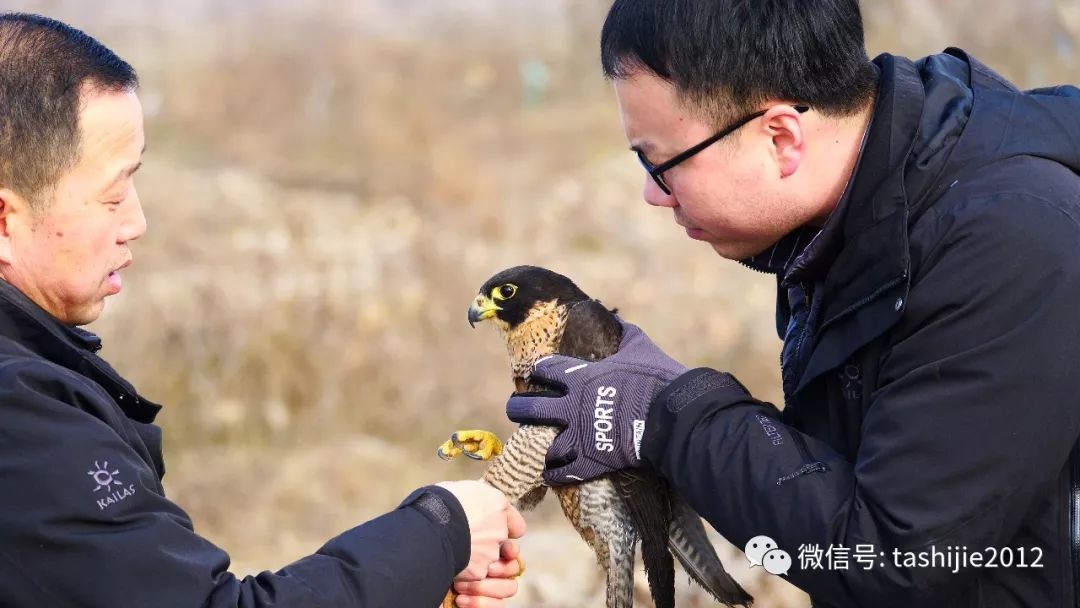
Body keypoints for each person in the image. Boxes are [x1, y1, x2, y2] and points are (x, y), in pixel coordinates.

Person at [507, 1, 1080, 607]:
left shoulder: (1007, 244)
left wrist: (668, 418)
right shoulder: (857, 214)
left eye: (660, 162)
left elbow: (895, 557)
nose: (652, 194)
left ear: (781, 136)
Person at [0, 12, 523, 608]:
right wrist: (442, 531)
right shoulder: (19, 419)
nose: (137, 223)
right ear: (4, 220)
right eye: (113, 195)